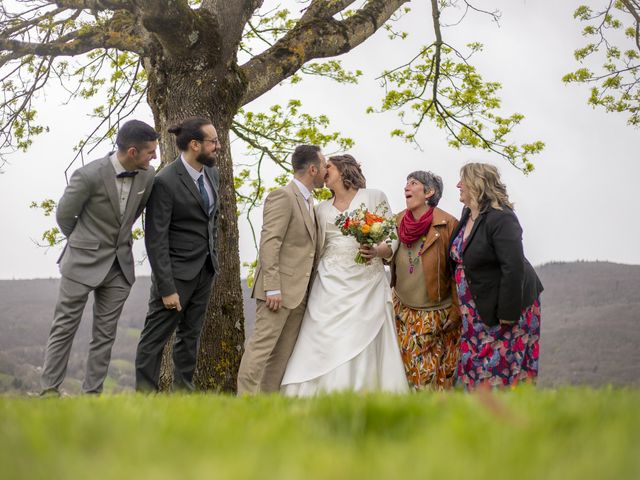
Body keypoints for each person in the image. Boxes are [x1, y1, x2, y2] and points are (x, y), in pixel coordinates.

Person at [40, 119, 159, 395]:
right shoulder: (88, 175)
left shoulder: (147, 176)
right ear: (132, 151)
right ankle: (48, 392)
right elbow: (64, 216)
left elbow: (133, 214)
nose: (154, 156)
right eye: (150, 151)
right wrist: (85, 243)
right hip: (81, 262)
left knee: (105, 334)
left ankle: (92, 395)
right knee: (64, 327)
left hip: (119, 268)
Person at [281, 154, 408, 396]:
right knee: (324, 336)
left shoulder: (374, 196)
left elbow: (391, 238)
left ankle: (364, 390)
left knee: (363, 335)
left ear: (343, 168)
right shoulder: (320, 209)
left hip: (366, 280)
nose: (322, 170)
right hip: (328, 282)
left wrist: (377, 250)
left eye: (327, 166)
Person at [135, 116, 220, 392]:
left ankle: (184, 396)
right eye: (213, 141)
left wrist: (212, 261)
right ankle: (144, 399)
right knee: (154, 340)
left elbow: (210, 222)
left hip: (204, 271)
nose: (218, 146)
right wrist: (166, 287)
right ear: (194, 145)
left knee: (190, 337)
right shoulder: (165, 181)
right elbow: (155, 239)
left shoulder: (212, 175)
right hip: (174, 276)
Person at [237, 145, 327, 394]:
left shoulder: (311, 203)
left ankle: (267, 405)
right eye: (324, 165)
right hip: (277, 292)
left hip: (299, 295)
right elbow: (270, 243)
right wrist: (272, 287)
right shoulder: (283, 196)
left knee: (282, 355)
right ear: (312, 169)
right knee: (260, 350)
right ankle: (244, 403)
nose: (326, 171)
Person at [449, 162, 543, 389]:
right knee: (474, 364)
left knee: (502, 368)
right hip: (474, 308)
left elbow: (513, 268)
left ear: (477, 184)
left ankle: (505, 416)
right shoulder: (468, 215)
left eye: (463, 181)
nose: (458, 185)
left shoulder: (502, 218)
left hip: (506, 305)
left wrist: (508, 314)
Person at [383, 171, 461, 390]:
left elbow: (457, 271)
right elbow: (386, 253)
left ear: (429, 192)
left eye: (413, 183)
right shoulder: (397, 221)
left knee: (439, 378)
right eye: (406, 183)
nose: (406, 187)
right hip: (403, 311)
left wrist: (456, 309)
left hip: (438, 313)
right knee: (411, 377)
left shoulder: (448, 224)